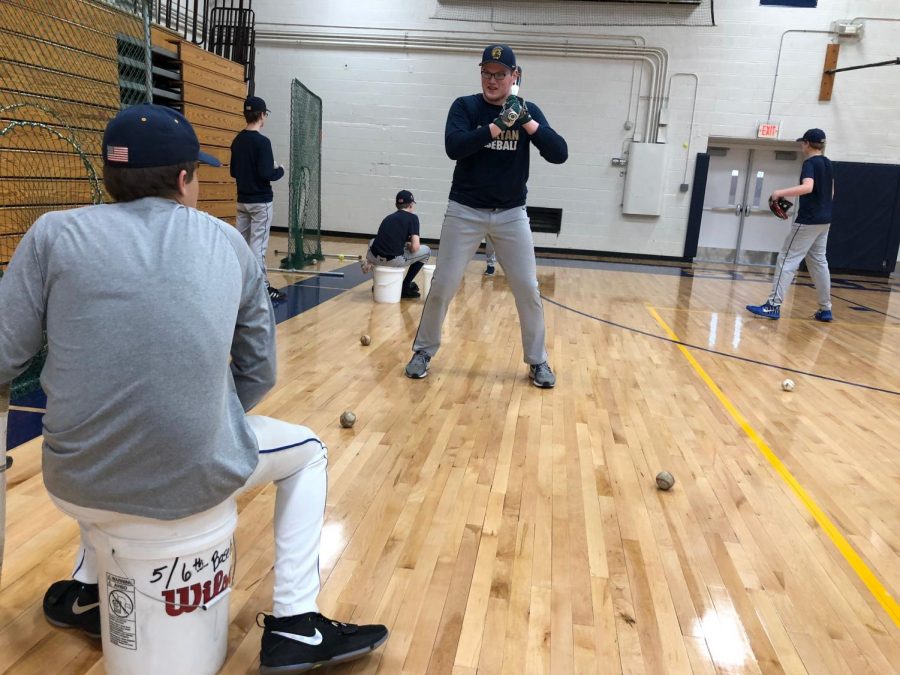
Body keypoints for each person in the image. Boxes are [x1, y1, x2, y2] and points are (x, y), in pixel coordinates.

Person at [0, 105, 388, 671]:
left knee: (98, 430)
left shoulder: (51, 234)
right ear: (185, 179)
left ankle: (89, 589)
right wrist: (198, 411)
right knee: (309, 453)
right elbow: (259, 371)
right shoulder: (227, 243)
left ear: (110, 177)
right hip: (186, 482)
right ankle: (297, 625)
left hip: (73, 481)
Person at [405, 44, 568, 387]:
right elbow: (455, 147)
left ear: (514, 76)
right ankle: (423, 350)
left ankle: (538, 361)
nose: (492, 80)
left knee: (527, 288)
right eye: (486, 73)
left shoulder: (527, 110)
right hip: (464, 211)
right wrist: (497, 126)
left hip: (511, 214)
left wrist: (527, 123)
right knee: (444, 284)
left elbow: (559, 154)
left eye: (499, 74)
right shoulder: (465, 106)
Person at [746, 128, 835, 322]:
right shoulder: (828, 163)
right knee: (819, 262)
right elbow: (832, 192)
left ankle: (772, 306)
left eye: (802, 143)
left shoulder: (810, 163)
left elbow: (808, 187)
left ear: (806, 144)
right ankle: (825, 309)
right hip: (825, 220)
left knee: (786, 259)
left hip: (808, 220)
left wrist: (779, 192)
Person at [230, 95, 287, 303]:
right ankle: (262, 288)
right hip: (260, 202)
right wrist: (279, 170)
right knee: (257, 246)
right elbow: (266, 174)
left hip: (242, 200)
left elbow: (234, 172)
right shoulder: (263, 142)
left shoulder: (237, 140)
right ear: (262, 115)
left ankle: (239, 285)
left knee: (240, 244)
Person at [363, 190, 431, 298]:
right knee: (426, 251)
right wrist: (410, 247)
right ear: (411, 205)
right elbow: (415, 247)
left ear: (396, 205)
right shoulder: (413, 218)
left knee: (372, 241)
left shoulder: (388, 218)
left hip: (374, 256)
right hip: (393, 260)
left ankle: (375, 277)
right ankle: (405, 286)